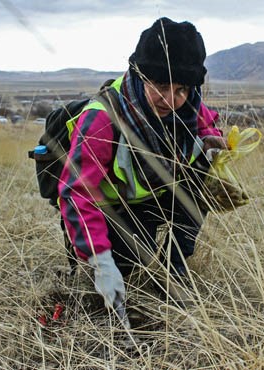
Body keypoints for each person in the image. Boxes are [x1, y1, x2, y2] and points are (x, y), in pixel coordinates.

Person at [58, 17, 234, 310]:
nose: (171, 99)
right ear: (141, 76)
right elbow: (77, 194)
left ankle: (174, 267)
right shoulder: (102, 119)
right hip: (112, 209)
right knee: (124, 265)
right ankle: (115, 257)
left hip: (156, 197)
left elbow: (206, 124)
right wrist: (101, 262)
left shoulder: (188, 104)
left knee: (200, 177)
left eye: (181, 89)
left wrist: (211, 140)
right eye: (162, 86)